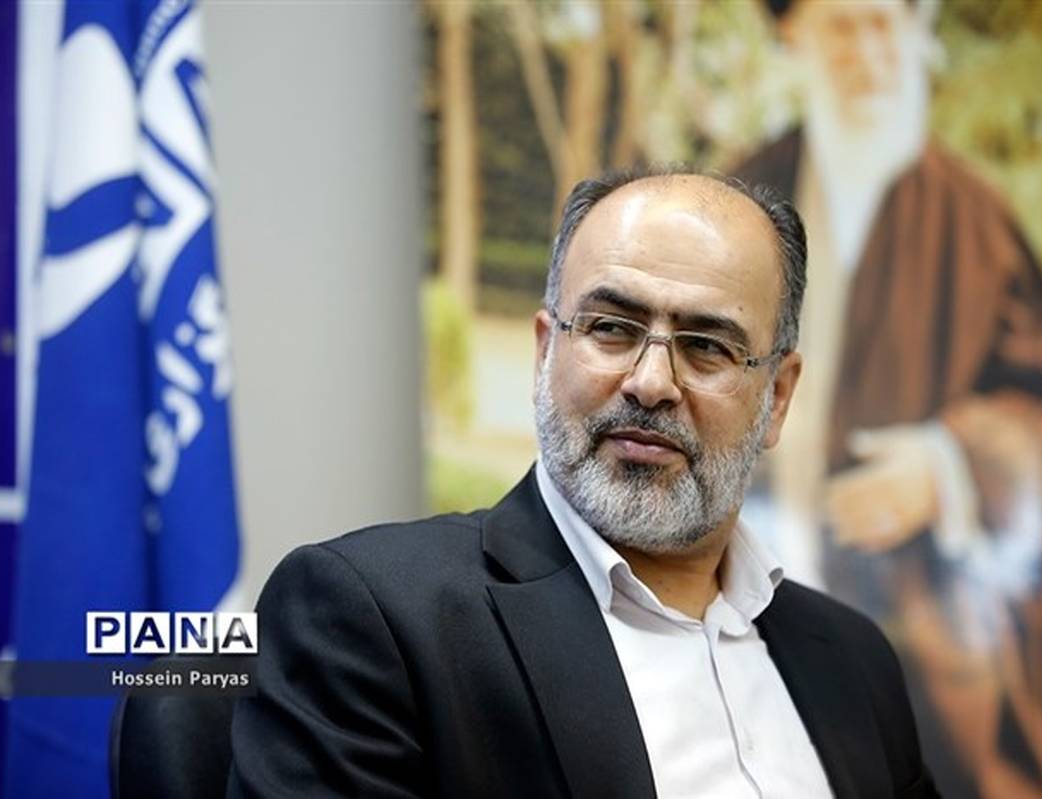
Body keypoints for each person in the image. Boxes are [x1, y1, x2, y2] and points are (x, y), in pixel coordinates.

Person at [227, 168, 939, 798]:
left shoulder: (853, 658)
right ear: (546, 352)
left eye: (706, 346)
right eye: (611, 328)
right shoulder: (374, 616)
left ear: (777, 397)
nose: (651, 382)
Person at [732, 1, 1042, 796]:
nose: (869, 53)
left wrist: (949, 465)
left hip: (937, 657)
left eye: (886, 24)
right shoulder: (742, 194)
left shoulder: (977, 220)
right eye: (843, 27)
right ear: (794, 34)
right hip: (752, 634)